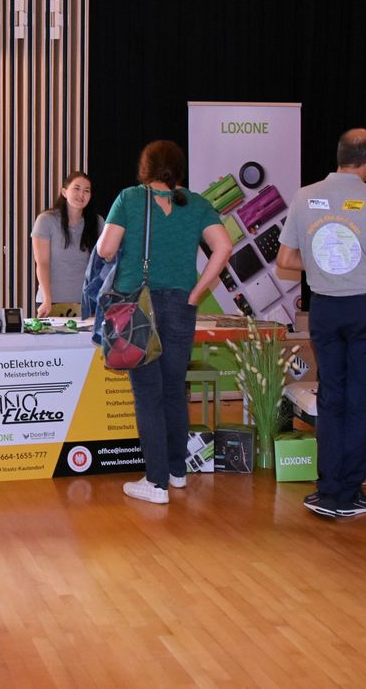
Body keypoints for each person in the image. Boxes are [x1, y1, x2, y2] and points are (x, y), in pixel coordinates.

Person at [277, 128, 366, 519]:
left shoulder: (303, 196)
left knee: (331, 397)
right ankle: (349, 495)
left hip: (326, 310)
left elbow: (285, 259)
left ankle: (327, 489)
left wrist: (322, 263)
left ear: (339, 156)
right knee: (363, 399)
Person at [97, 141, 231, 504]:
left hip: (136, 307)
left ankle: (155, 483)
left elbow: (106, 250)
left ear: (145, 166)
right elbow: (223, 247)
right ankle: (176, 472)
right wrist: (197, 292)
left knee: (147, 395)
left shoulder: (129, 198)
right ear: (179, 168)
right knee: (173, 390)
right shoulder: (198, 203)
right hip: (181, 304)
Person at [31, 171, 104, 318]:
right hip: (52, 302)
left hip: (86, 303)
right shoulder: (46, 220)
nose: (81, 194)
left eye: (86, 191)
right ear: (64, 192)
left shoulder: (97, 222)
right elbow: (42, 263)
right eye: (76, 188)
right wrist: (47, 299)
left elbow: (102, 264)